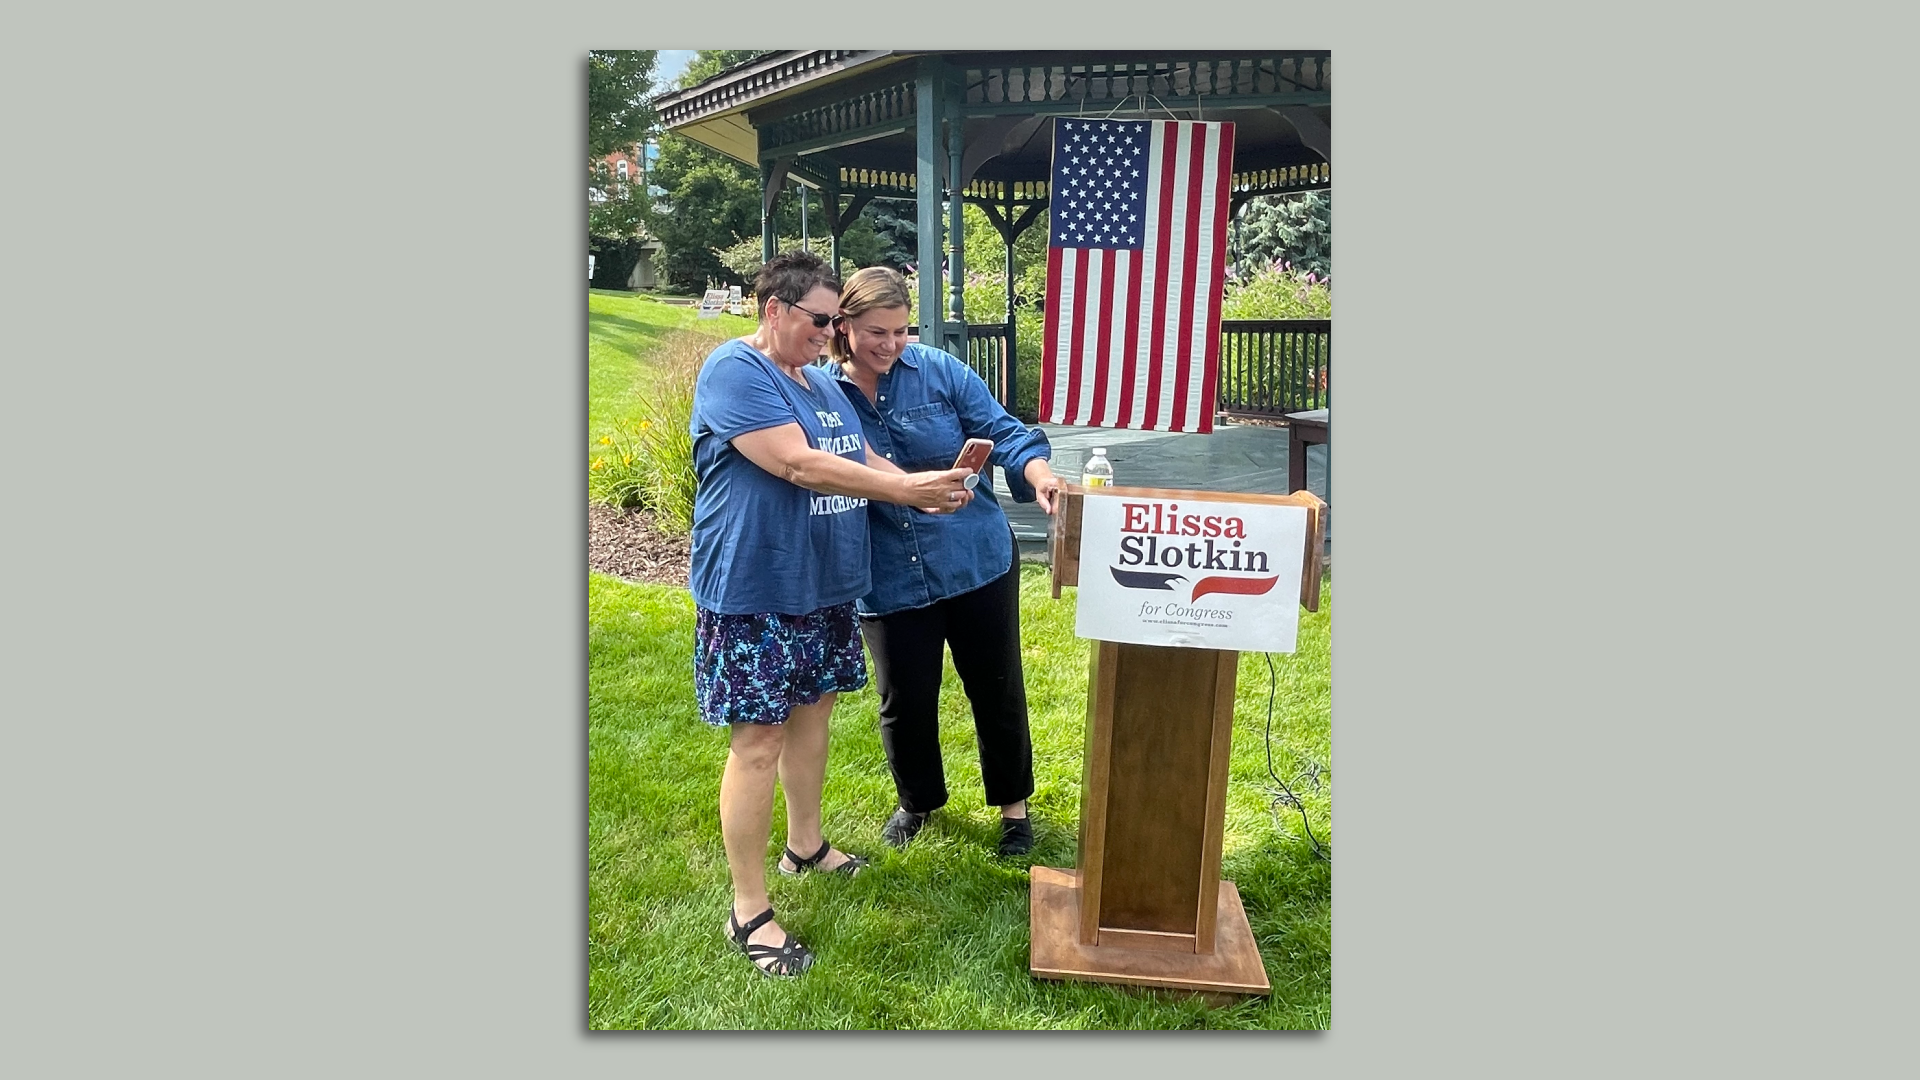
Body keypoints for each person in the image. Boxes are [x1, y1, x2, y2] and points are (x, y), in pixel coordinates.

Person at [688, 251, 975, 978]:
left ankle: (806, 847)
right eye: (819, 321)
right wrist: (905, 496)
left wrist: (918, 481)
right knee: (759, 742)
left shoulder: (819, 381)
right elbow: (797, 464)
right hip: (756, 588)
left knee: (813, 714)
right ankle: (748, 908)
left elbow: (862, 454)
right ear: (773, 309)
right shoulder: (735, 371)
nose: (830, 334)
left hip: (823, 585)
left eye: (835, 322)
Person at [824, 266, 1063, 858]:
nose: (890, 344)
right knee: (904, 696)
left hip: (975, 558)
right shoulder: (823, 394)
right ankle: (918, 802)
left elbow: (1004, 432)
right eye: (876, 332)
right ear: (844, 325)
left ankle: (1014, 810)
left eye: (902, 331)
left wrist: (1039, 475)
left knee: (997, 684)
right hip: (887, 571)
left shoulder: (939, 370)